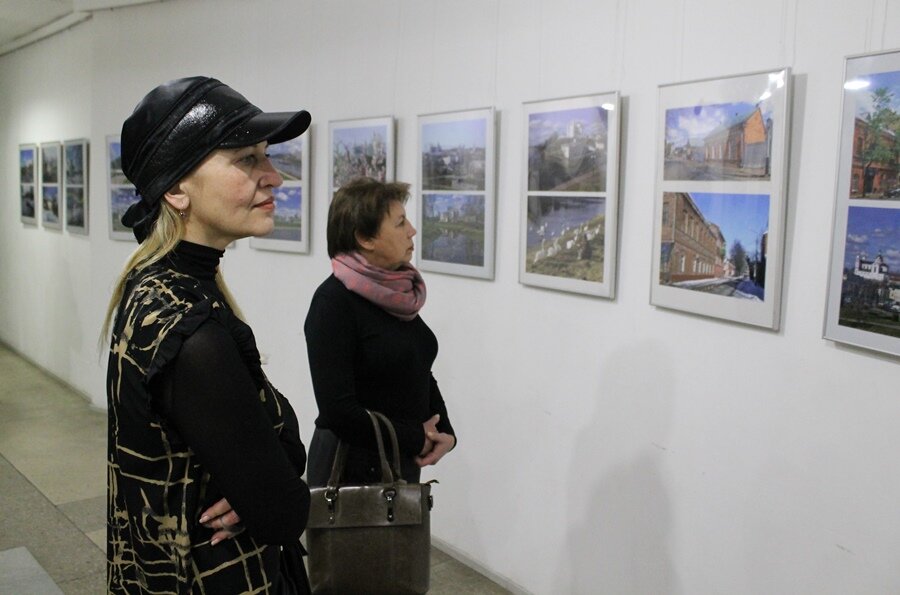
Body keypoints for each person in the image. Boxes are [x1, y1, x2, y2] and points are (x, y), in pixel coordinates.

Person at [102, 76, 313, 594]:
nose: (274, 177)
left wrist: (269, 473)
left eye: (266, 156)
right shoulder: (190, 333)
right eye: (247, 159)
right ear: (176, 190)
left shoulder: (156, 290)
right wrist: (282, 461)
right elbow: (284, 513)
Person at [304, 177, 456, 487]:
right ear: (365, 238)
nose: (412, 230)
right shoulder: (333, 302)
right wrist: (417, 438)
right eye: (400, 223)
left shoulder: (397, 294)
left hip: (398, 459)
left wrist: (444, 431)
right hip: (349, 471)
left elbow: (417, 368)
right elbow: (337, 411)